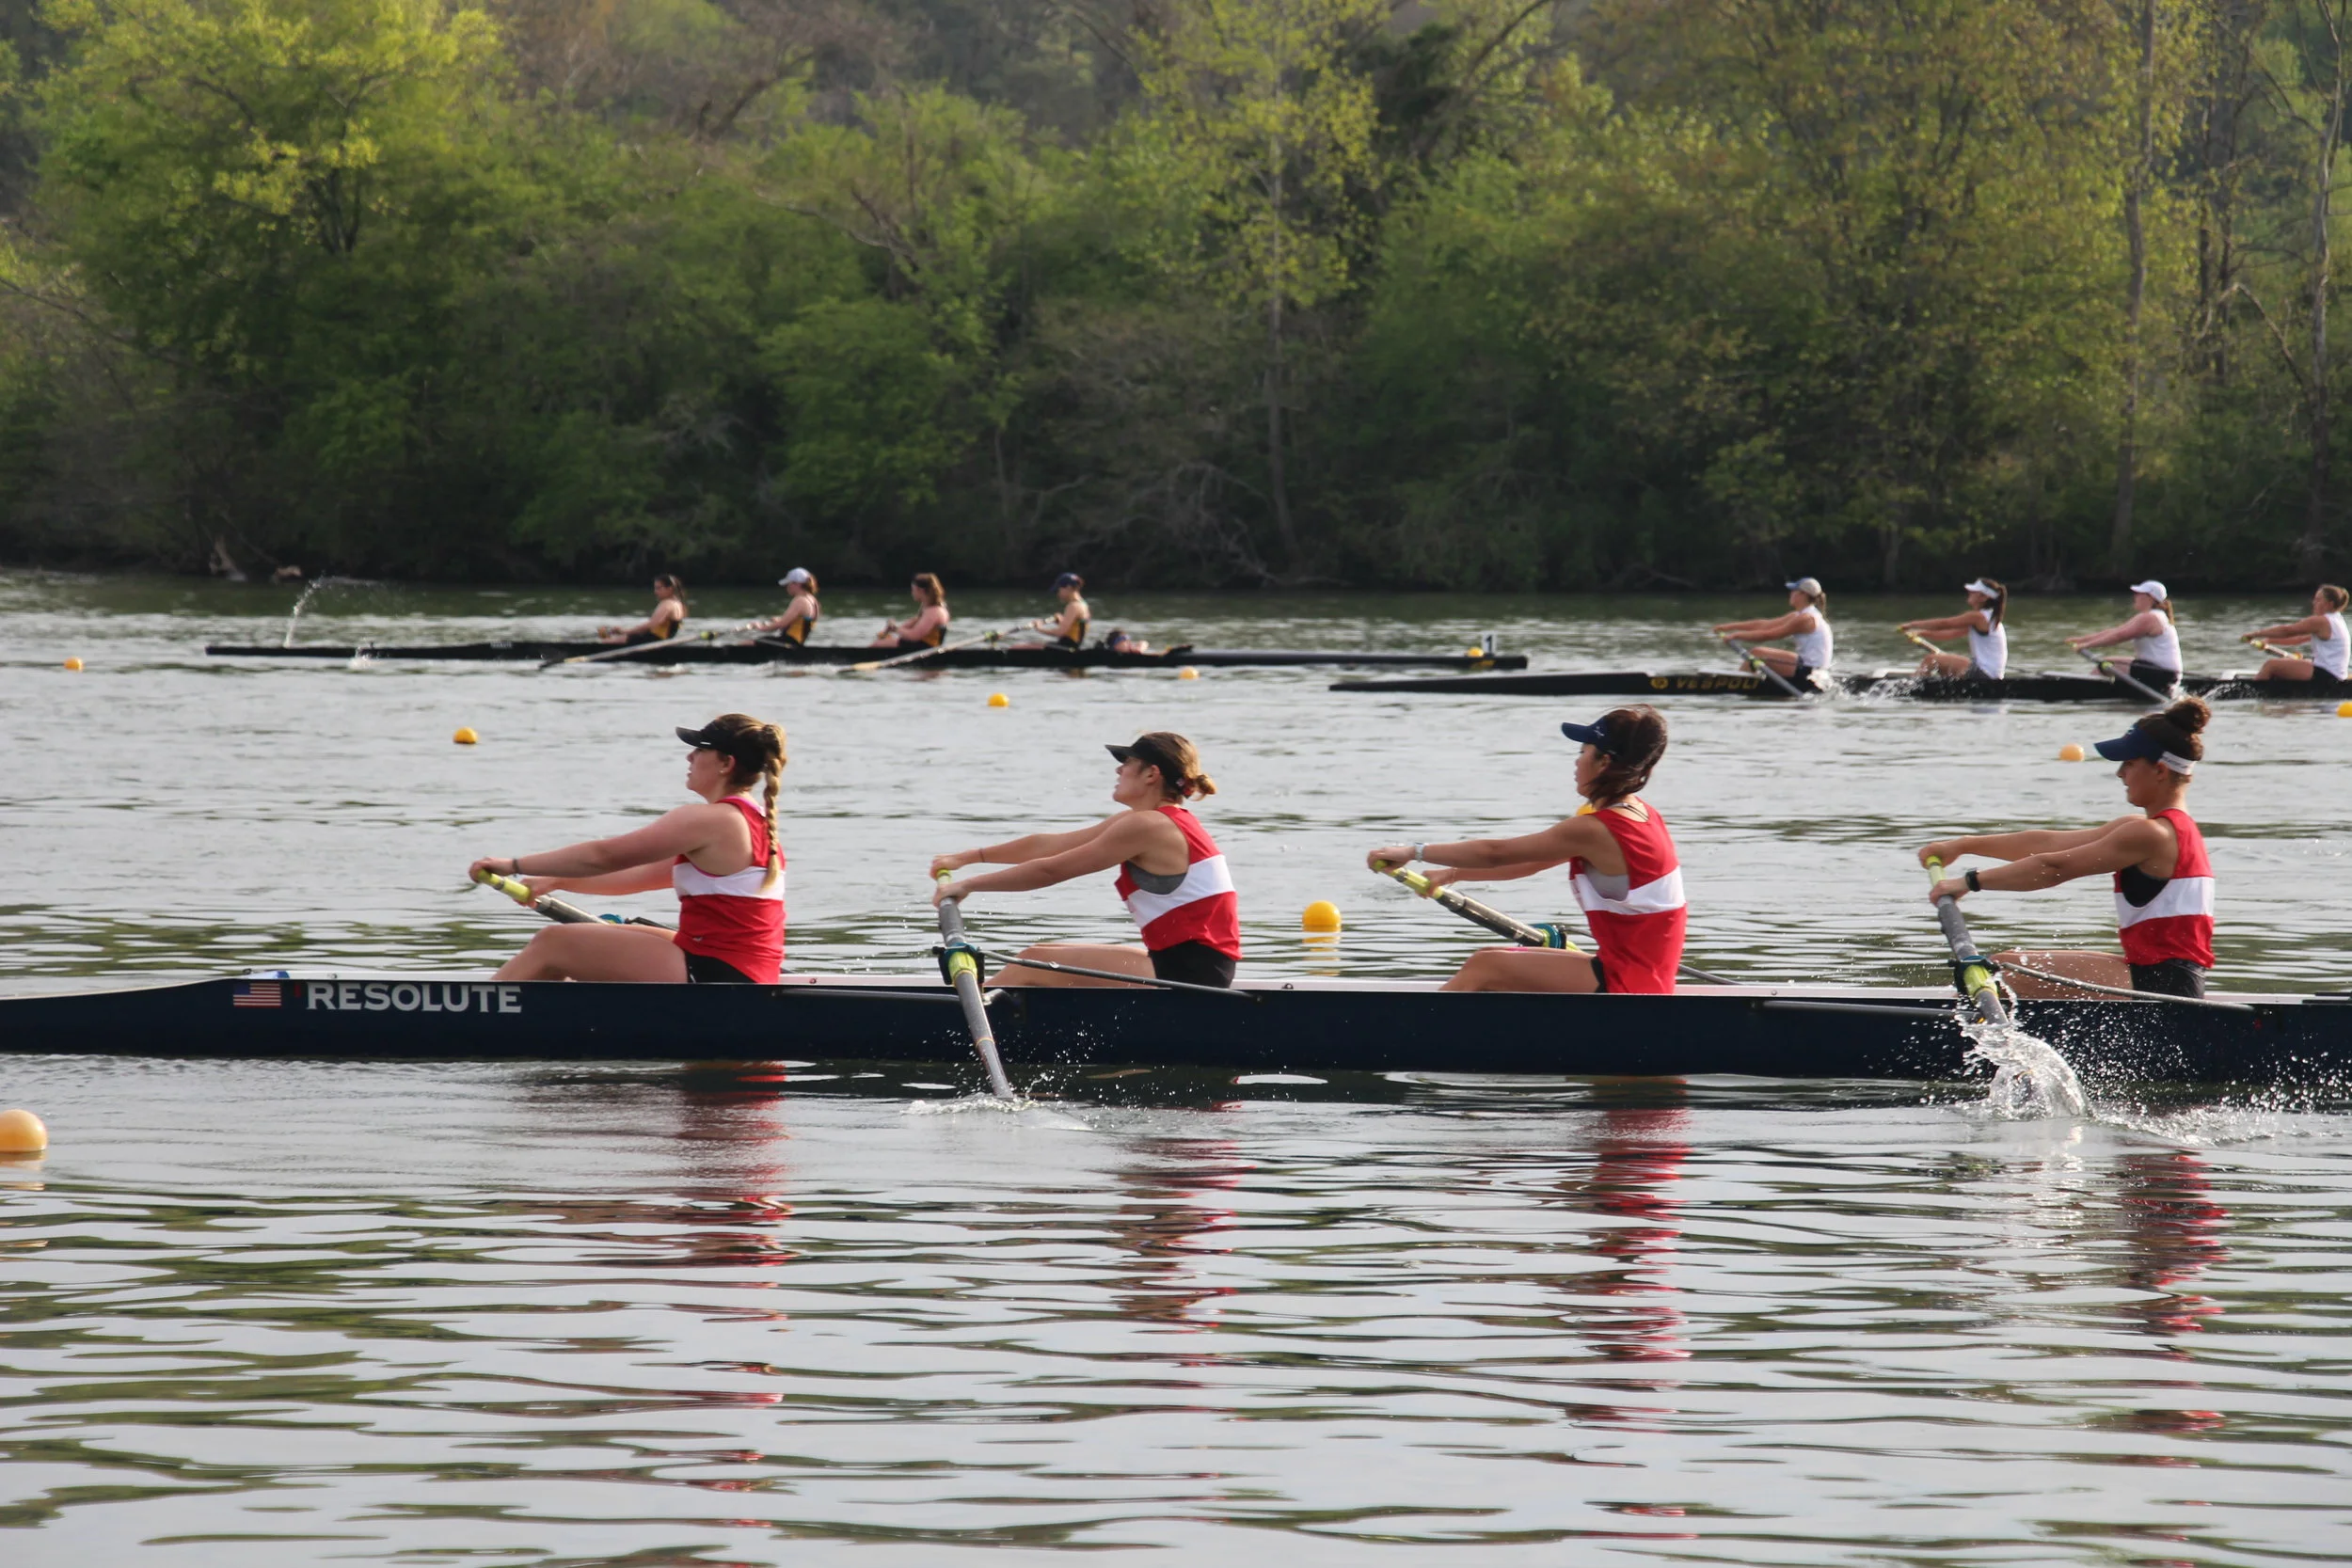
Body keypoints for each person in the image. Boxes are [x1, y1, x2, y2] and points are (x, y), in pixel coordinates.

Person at [1367, 706, 1685, 994]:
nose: (1576, 760)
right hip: (1640, 974)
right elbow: (1533, 862)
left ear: (1604, 762)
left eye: (1583, 750)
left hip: (1630, 984)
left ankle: (1415, 1038)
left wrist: (1413, 851)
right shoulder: (1642, 816)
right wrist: (1452, 873)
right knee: (1488, 957)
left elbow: (1495, 852)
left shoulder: (1594, 830)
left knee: (1486, 968)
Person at [1918, 697, 2215, 999]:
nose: (2120, 773)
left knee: (2003, 976)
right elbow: (2048, 845)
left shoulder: (2150, 834)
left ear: (2161, 771)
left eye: (2129, 763)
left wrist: (1969, 882)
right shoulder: (2159, 829)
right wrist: (1964, 845)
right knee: (2005, 962)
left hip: (2163, 986)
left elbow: (2053, 869)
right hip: (2158, 977)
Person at [468, 715, 787, 983]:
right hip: (742, 968)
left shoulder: (711, 820)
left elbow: (603, 857)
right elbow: (642, 875)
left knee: (553, 942)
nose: (689, 757)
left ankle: (475, 1023)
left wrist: (515, 864)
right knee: (621, 930)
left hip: (720, 973)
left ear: (726, 763)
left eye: (699, 749)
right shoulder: (753, 818)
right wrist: (557, 881)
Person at [929, 732, 1241, 989]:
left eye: (1126, 762)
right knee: (1044, 955)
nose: (1119, 770)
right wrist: (967, 858)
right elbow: (1049, 846)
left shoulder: (1148, 826)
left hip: (1190, 978)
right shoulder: (1150, 821)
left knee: (1031, 961)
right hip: (1192, 966)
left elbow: (1052, 870)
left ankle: (953, 1029)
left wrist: (967, 886)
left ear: (1151, 774)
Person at [1712, 578, 1835, 684]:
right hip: (1809, 667)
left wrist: (1735, 636)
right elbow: (1764, 625)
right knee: (1758, 654)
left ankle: (1736, 685)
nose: (1790, 594)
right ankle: (1746, 681)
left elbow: (1770, 635)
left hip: (1811, 672)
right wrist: (1728, 627)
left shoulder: (1806, 619)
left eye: (1793, 591)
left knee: (1757, 653)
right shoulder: (1800, 615)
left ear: (1803, 594)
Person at [2068, 579, 2181, 691]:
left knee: (2106, 664)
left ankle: (2086, 691)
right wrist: (2081, 640)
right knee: (2107, 663)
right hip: (2160, 672)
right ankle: (2105, 690)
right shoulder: (2151, 616)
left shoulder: (2150, 618)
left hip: (2163, 675)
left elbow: (2119, 636)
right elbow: (2115, 631)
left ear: (2150, 597)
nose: (2134, 597)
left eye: (2138, 594)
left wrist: (2086, 646)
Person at [1900, 578, 2009, 678]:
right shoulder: (1988, 617)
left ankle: (1910, 687)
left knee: (1931, 659)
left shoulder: (1978, 617)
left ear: (1984, 597)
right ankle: (1926, 686)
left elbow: (1945, 623)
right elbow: (1950, 634)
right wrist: (1921, 633)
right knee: (1942, 666)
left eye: (1974, 591)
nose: (1969, 592)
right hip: (1989, 673)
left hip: (1985, 674)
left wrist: (1912, 624)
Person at [2243, 584, 2349, 684]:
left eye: (2318, 599)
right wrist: (2269, 640)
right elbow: (2298, 639)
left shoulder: (2321, 621)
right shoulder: (2336, 619)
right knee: (2289, 662)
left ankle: (2252, 692)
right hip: (2333, 672)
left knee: (2271, 665)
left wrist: (2255, 634)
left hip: (2328, 674)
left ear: (2329, 604)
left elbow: (2287, 631)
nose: (2314, 603)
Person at [598, 575, 687, 645]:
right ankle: (608, 636)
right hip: (661, 640)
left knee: (605, 643)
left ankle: (605, 639)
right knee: (613, 637)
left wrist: (625, 632)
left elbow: (651, 625)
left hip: (653, 641)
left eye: (659, 588)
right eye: (655, 588)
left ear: (670, 589)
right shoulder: (678, 604)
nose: (655, 592)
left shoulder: (667, 604)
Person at [872, 572, 952, 649]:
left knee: (877, 645)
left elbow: (914, 636)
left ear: (921, 590)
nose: (912, 593)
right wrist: (892, 628)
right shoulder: (927, 607)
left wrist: (896, 629)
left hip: (924, 649)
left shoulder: (933, 612)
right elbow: (910, 625)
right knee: (883, 639)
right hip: (918, 645)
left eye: (913, 590)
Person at [754, 567, 821, 645]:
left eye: (788, 584)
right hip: (796, 644)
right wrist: (778, 620)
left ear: (797, 584)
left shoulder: (800, 600)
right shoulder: (814, 601)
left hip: (788, 643)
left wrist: (761, 628)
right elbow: (801, 623)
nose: (787, 587)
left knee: (746, 644)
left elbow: (782, 624)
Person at [1026, 573, 1090, 648]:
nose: (1058, 594)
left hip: (1065, 648)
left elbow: (1060, 632)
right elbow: (1076, 628)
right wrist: (1061, 622)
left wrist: (1039, 628)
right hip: (1073, 647)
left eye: (1059, 590)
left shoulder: (1073, 606)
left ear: (1068, 587)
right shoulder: (1083, 604)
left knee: (1017, 648)